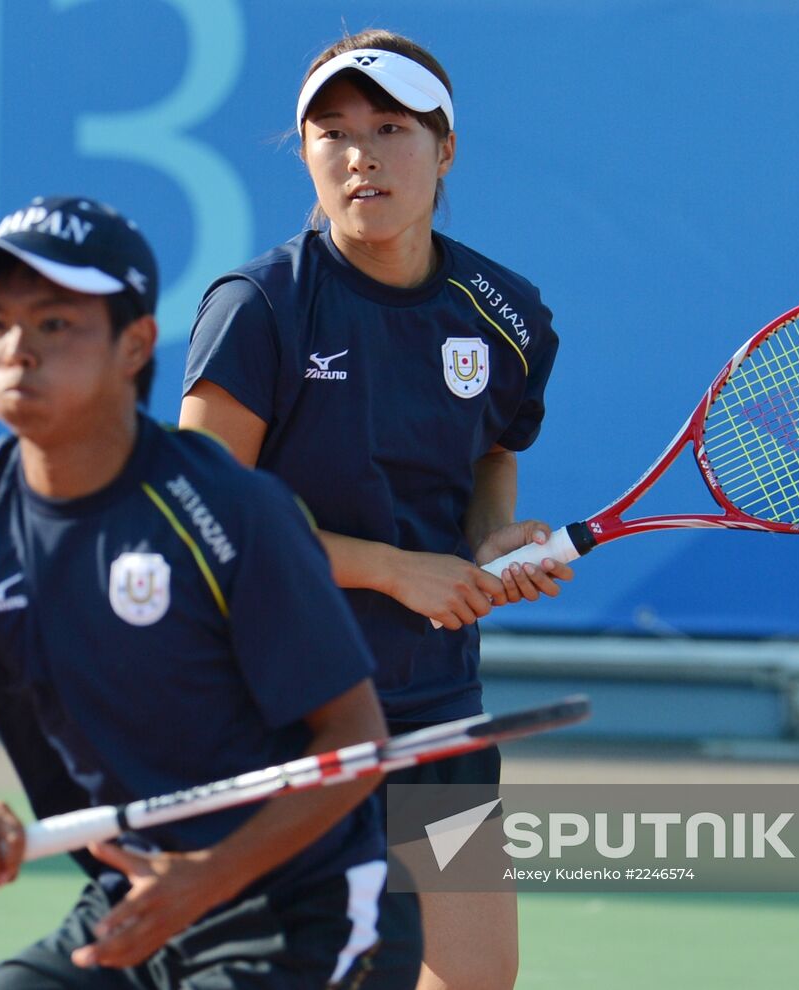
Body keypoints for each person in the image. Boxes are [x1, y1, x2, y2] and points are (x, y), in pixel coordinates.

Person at [0, 195, 422, 990]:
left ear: (135, 345)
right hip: (132, 903)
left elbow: (352, 743)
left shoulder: (230, 509)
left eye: (53, 325)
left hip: (302, 905)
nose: (16, 350)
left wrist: (205, 878)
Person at [179, 31, 571, 990]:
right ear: (306, 155)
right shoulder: (261, 308)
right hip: (279, 702)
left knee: (474, 977)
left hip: (434, 699)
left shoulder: (504, 315)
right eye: (334, 132)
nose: (361, 155)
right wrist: (394, 567)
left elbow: (489, 454)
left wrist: (488, 539)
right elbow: (200, 521)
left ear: (445, 149)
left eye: (391, 127)